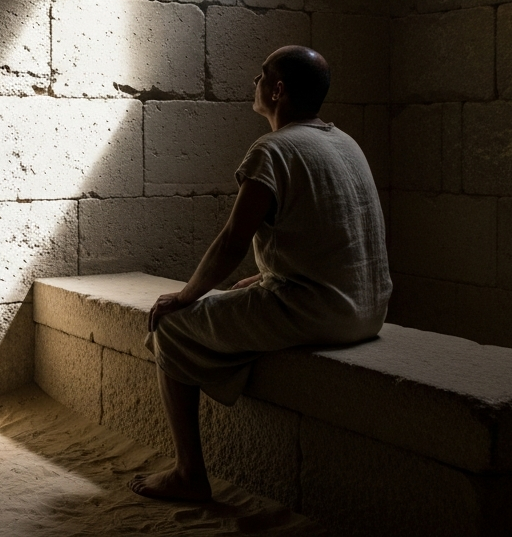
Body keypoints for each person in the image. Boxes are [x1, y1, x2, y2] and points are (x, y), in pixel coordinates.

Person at [129, 45, 392, 502]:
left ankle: (189, 473)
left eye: (260, 76)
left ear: (278, 90)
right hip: (370, 310)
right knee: (239, 293)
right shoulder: (345, 142)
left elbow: (231, 241)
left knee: (170, 326)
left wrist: (186, 294)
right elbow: (332, 240)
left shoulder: (272, 149)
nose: (254, 83)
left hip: (320, 315)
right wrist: (266, 278)